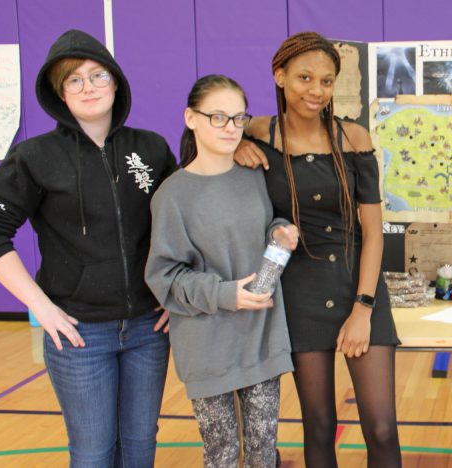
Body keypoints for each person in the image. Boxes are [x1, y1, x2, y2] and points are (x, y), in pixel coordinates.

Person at [0, 29, 177, 467]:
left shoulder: (151, 149)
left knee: (140, 445)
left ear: (116, 82)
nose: (88, 87)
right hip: (81, 335)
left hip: (147, 330)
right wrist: (41, 307)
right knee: (93, 452)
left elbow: (181, 225)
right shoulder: (34, 157)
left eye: (98, 75)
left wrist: (176, 293)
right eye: (74, 79)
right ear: (59, 93)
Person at [235, 31, 402, 467]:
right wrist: (238, 147)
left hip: (358, 286)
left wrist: (363, 308)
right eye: (305, 77)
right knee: (320, 425)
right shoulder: (256, 132)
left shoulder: (354, 138)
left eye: (327, 81)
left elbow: (373, 231)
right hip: (300, 291)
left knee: (382, 428)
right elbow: (200, 142)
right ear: (279, 76)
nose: (317, 91)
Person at [145, 74, 298, 467]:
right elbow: (164, 275)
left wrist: (278, 230)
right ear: (191, 118)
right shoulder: (172, 195)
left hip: (261, 336)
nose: (231, 128)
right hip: (206, 345)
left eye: (238, 118)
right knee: (222, 454)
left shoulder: (254, 175)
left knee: (264, 453)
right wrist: (225, 294)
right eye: (218, 117)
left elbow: (259, 227)